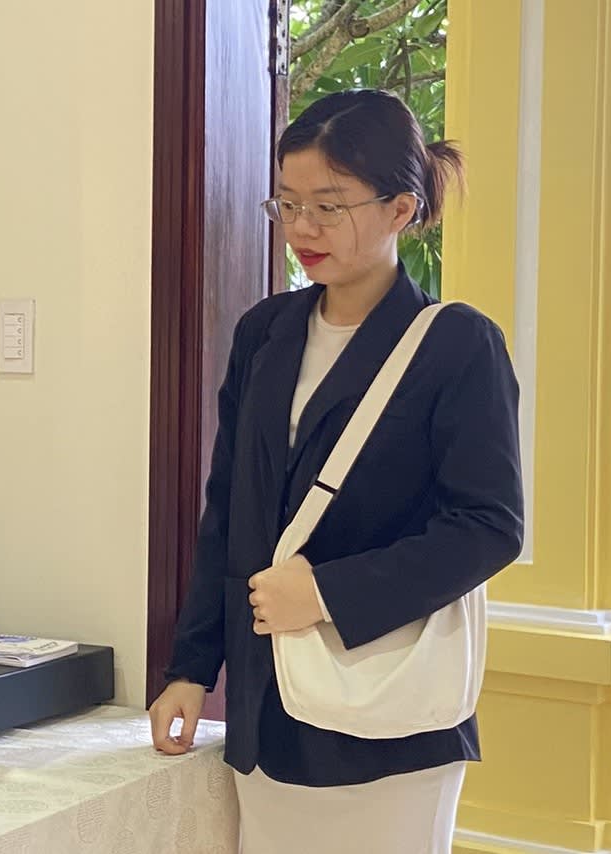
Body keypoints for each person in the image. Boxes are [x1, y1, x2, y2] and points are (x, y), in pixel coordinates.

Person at [149, 89, 525, 853]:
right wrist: (191, 668)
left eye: (328, 205)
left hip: (388, 716)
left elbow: (489, 527)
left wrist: (325, 594)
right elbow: (229, 510)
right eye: (287, 205)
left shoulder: (457, 345)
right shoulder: (265, 333)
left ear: (400, 209)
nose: (302, 229)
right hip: (267, 709)